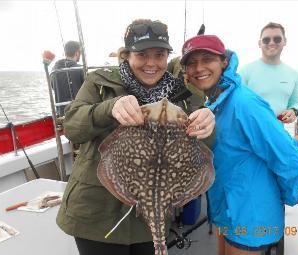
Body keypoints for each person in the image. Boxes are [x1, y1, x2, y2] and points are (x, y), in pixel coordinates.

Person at [56, 19, 215, 255]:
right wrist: (108, 109)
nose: (151, 63)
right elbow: (71, 126)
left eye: (159, 55)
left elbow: (202, 152)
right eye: (142, 54)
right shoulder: (100, 83)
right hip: (96, 216)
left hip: (152, 217)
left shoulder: (187, 95)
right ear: (126, 55)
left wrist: (207, 125)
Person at [181, 34, 298, 255]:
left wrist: (289, 194)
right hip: (227, 210)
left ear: (224, 62)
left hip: (250, 216)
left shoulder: (244, 103)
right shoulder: (214, 102)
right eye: (191, 62)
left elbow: (289, 157)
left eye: (207, 59)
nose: (199, 67)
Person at [239, 22, 298, 124]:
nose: (271, 43)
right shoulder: (245, 72)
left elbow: (296, 102)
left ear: (284, 41)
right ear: (259, 43)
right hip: (249, 137)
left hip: (278, 136)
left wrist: (294, 110)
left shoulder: (293, 74)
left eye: (277, 39)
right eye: (266, 40)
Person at [51, 40, 84, 117]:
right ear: (77, 53)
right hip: (78, 113)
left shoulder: (53, 70)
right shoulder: (80, 69)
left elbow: (53, 87)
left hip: (61, 114)